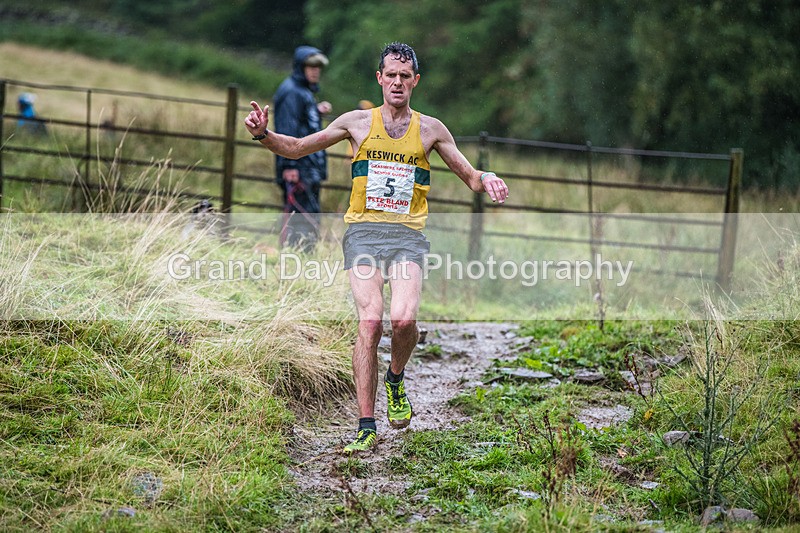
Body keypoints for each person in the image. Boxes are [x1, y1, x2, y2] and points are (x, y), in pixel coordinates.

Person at [245, 42, 509, 453]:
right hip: (363, 235)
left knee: (404, 321)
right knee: (371, 322)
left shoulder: (431, 130)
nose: (398, 82)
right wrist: (263, 134)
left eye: (406, 76)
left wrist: (487, 177)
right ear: (380, 79)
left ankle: (396, 377)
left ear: (415, 81)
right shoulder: (356, 123)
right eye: (391, 75)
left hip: (407, 238)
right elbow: (297, 147)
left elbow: (470, 176)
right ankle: (366, 426)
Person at [273, 46, 333, 252]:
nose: (315, 71)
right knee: (302, 218)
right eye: (311, 66)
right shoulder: (292, 92)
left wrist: (315, 111)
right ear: (301, 67)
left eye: (318, 67)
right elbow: (287, 130)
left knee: (309, 216)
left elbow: (301, 123)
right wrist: (289, 165)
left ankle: (303, 259)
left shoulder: (302, 92)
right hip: (299, 168)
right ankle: (298, 260)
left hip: (309, 167)